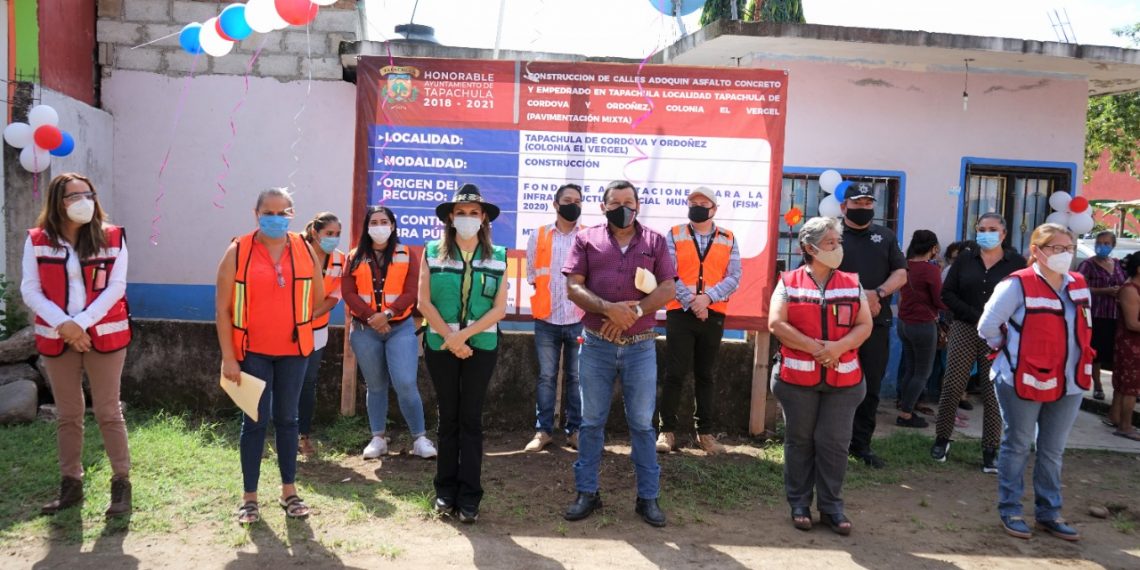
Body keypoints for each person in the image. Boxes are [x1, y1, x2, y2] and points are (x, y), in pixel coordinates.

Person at [562, 180, 677, 528]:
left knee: (642, 425)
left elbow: (669, 287)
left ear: (638, 206)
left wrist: (634, 312)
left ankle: (648, 498)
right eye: (616, 202)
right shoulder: (587, 238)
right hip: (596, 344)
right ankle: (587, 493)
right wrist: (609, 309)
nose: (623, 207)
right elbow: (573, 286)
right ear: (604, 206)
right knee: (591, 422)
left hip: (641, 346)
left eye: (629, 201)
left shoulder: (655, 241)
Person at [22, 173, 133, 517]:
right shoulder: (38, 240)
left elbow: (116, 286)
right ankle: (70, 485)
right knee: (68, 414)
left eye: (87, 194)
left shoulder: (112, 237)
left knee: (108, 411)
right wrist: (65, 326)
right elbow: (30, 289)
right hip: (58, 338)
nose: (82, 201)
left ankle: (121, 486)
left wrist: (80, 324)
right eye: (72, 196)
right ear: (58, 202)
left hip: (105, 335)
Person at [978, 223, 1095, 541]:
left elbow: (1083, 329)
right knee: (1017, 445)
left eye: (1069, 248)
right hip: (1022, 377)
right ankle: (1011, 510)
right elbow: (987, 326)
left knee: (1053, 450)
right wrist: (1008, 350)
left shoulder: (1080, 284)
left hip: (1070, 381)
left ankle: (1049, 513)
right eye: (1057, 248)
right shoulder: (1018, 284)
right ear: (1036, 251)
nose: (1065, 254)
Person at [215, 188, 324, 524]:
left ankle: (289, 491)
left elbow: (317, 296)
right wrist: (229, 358)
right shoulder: (239, 250)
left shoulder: (305, 249)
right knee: (254, 422)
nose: (275, 218)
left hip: (294, 351)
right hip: (252, 353)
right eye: (269, 212)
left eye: (283, 212)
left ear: (291, 215)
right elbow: (222, 309)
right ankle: (249, 498)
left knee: (289, 420)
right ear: (256, 213)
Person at [768, 217, 872, 535]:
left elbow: (864, 324)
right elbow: (776, 323)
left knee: (834, 443)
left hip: (845, 382)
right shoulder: (789, 282)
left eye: (837, 241)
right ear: (808, 248)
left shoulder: (852, 283)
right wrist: (818, 349)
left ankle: (831, 507)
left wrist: (838, 348)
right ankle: (799, 504)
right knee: (799, 442)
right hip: (796, 381)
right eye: (830, 242)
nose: (836, 247)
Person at [418, 184, 507, 524]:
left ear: (484, 218)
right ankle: (445, 492)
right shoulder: (432, 251)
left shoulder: (498, 255)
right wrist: (450, 337)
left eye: (474, 213)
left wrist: (464, 336)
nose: (467, 219)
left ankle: (470, 496)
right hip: (440, 345)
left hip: (480, 347)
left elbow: (499, 308)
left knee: (471, 420)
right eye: (461, 213)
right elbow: (423, 302)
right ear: (451, 218)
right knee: (448, 419)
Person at [932, 214, 1025, 472]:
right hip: (964, 327)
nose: (987, 233)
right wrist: (976, 316)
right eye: (982, 229)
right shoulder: (965, 259)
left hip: (999, 333)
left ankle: (990, 450)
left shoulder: (1016, 263)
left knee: (993, 391)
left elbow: (1023, 298)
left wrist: (995, 321)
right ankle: (942, 439)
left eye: (993, 229)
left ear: (1004, 234)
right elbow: (947, 293)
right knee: (952, 385)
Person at [343, 206, 436, 459]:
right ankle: (378, 438)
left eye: (385, 221)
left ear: (393, 226)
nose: (379, 226)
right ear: (367, 227)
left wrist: (388, 315)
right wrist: (371, 317)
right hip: (365, 330)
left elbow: (411, 291)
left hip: (400, 328)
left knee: (406, 382)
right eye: (374, 222)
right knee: (375, 385)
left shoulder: (406, 253)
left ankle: (420, 438)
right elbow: (348, 292)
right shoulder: (354, 256)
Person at [657, 186, 742, 454]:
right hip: (680, 312)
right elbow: (668, 271)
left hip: (713, 313)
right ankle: (666, 432)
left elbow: (734, 276)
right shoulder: (675, 233)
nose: (697, 206)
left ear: (714, 209)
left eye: (703, 203)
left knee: (706, 375)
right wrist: (692, 302)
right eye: (692, 202)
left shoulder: (728, 237)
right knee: (674, 374)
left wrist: (707, 299)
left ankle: (705, 434)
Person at [836, 183, 907, 468]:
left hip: (876, 322)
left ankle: (861, 445)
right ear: (844, 207)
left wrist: (876, 294)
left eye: (868, 204)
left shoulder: (885, 236)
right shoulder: (831, 235)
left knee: (871, 385)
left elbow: (901, 273)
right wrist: (859, 295)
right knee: (836, 385)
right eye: (857, 203)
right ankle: (834, 442)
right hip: (837, 324)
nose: (863, 209)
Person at [523, 183, 585, 452]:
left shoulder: (590, 236)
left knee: (577, 377)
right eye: (568, 200)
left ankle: (575, 431)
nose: (574, 204)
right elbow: (532, 274)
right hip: (547, 319)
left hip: (579, 317)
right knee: (547, 376)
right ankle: (543, 431)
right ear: (556, 204)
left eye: (578, 201)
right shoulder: (539, 236)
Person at [297, 212, 345, 457]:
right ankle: (278, 432)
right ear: (315, 232)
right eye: (329, 234)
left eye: (337, 234)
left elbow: (335, 296)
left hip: (316, 330)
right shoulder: (296, 252)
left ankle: (303, 436)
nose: (334, 239)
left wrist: (313, 314)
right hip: (288, 330)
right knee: (282, 382)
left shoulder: (340, 260)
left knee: (308, 383)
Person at [895, 230, 946, 428]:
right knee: (922, 373)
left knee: (911, 368)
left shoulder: (904, 266)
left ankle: (904, 405)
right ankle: (906, 414)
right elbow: (940, 301)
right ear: (933, 248)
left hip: (904, 323)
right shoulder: (930, 270)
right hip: (923, 325)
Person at [1077, 230, 1126, 401]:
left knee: (1114, 353)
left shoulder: (1118, 264)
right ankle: (1097, 385)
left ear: (1113, 246)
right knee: (1096, 353)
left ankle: (1119, 389)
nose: (1102, 246)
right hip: (1096, 314)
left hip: (1116, 314)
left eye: (1106, 243)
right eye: (1100, 243)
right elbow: (1079, 287)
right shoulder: (1088, 265)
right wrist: (1103, 291)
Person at [1110, 252, 1140, 441]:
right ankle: (1125, 425)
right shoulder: (1130, 290)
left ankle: (1115, 417)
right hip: (1131, 344)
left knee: (1126, 385)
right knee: (1130, 387)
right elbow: (1132, 323)